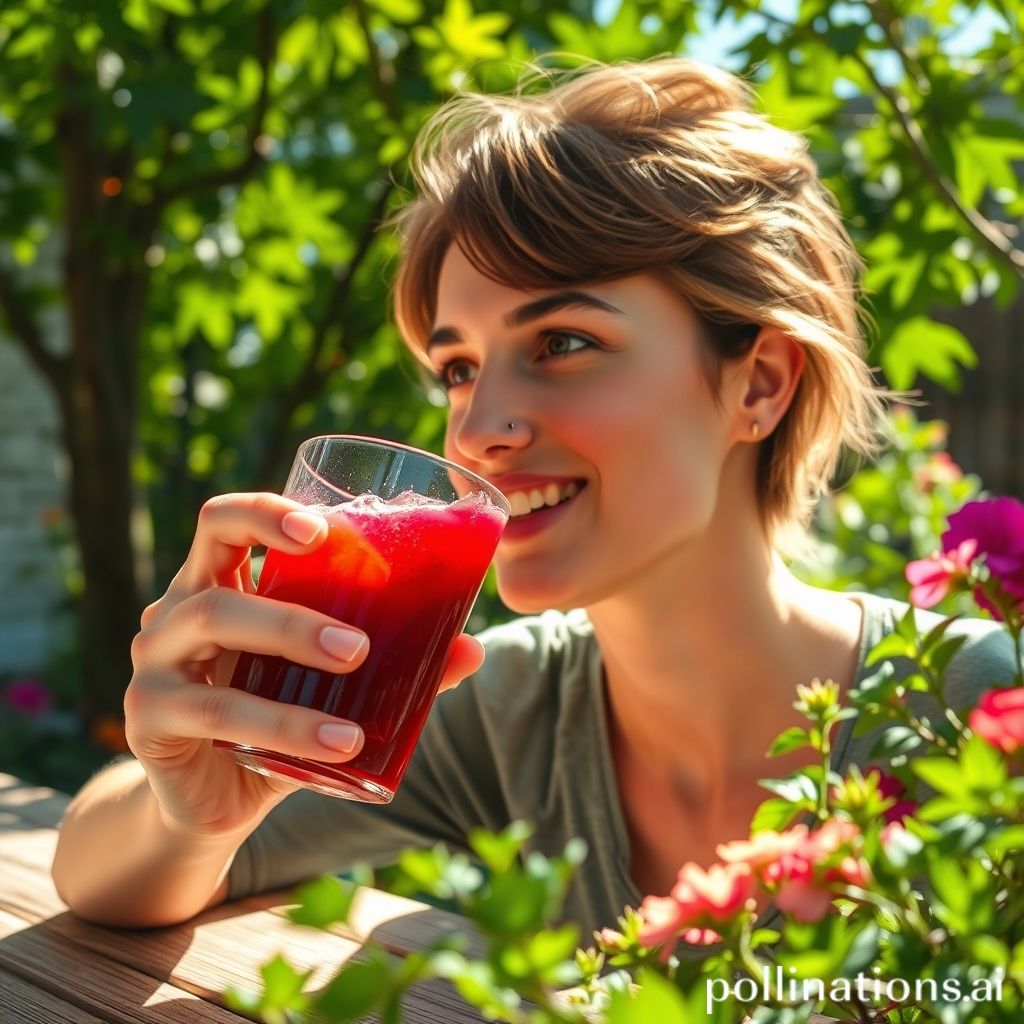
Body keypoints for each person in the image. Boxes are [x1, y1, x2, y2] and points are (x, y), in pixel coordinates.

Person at [52, 57, 1015, 942]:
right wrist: (192, 807)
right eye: (458, 369)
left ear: (758, 383)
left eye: (562, 342)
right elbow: (99, 875)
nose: (476, 431)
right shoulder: (505, 707)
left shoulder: (968, 700)